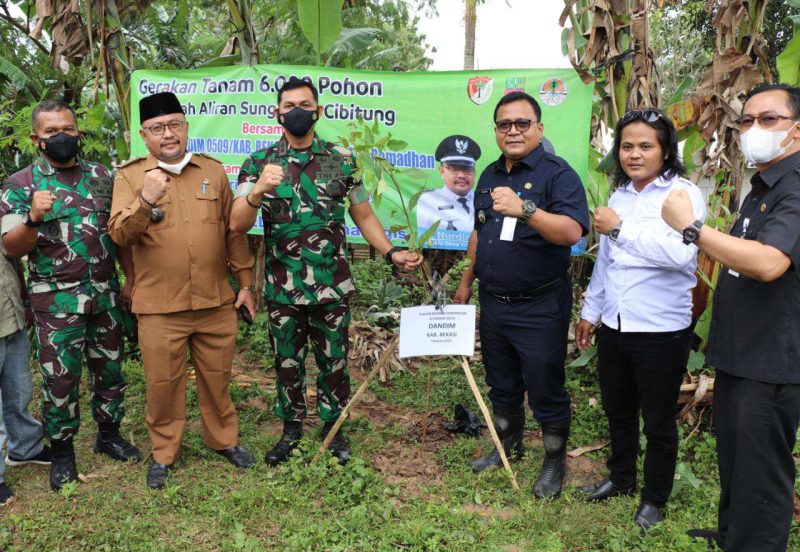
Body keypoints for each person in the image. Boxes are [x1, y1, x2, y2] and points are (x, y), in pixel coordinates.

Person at [231, 77, 422, 467]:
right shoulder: (259, 163)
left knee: (334, 362)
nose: (297, 111)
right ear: (277, 113)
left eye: (305, 104)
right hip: (283, 288)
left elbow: (363, 214)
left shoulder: (339, 160)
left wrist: (390, 252)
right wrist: (256, 192)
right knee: (287, 361)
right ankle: (291, 430)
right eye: (289, 105)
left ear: (318, 111)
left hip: (331, 286)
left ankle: (334, 431)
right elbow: (236, 223)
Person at [662, 83, 800, 552]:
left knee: (762, 471)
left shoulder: (796, 188)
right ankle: (733, 535)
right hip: (743, 353)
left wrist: (692, 227)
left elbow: (768, 262)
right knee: (738, 457)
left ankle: (754, 542)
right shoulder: (763, 186)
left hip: (771, 361)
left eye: (769, 120)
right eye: (747, 120)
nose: (753, 129)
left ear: (797, 130)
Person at [108, 92, 257, 489]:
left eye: (175, 124)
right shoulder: (130, 176)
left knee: (217, 376)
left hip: (213, 299)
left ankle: (224, 440)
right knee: (162, 384)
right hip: (159, 305)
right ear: (144, 135)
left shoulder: (212, 171)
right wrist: (145, 199)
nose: (168, 134)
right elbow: (119, 234)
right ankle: (164, 452)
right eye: (158, 128)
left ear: (186, 127)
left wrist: (245, 284)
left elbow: (233, 233)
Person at [575, 109, 705, 532]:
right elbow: (606, 265)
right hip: (615, 324)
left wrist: (619, 229)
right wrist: (590, 313)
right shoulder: (620, 196)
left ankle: (654, 499)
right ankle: (621, 478)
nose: (634, 154)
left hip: (661, 329)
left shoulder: (682, 195)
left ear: (666, 151)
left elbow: (681, 254)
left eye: (645, 146)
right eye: (627, 146)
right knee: (618, 410)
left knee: (659, 420)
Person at [0, 100, 141, 491]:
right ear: (36, 139)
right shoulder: (20, 184)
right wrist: (32, 218)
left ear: (78, 131)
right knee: (60, 380)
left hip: (105, 296)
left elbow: (117, 232)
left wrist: (130, 279)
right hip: (56, 303)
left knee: (110, 370)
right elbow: (12, 246)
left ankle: (108, 434)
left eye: (68, 128)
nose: (62, 137)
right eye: (51, 132)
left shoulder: (100, 175)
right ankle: (62, 451)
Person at [454, 91, 589, 498]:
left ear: (539, 128)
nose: (512, 131)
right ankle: (507, 446)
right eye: (504, 124)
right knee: (502, 383)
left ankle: (553, 462)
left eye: (522, 123)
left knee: (546, 387)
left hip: (540, 305)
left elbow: (572, 233)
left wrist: (525, 209)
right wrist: (466, 281)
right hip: (495, 302)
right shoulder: (489, 174)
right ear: (496, 130)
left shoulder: (558, 175)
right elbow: (480, 231)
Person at [0, 247, 52, 506]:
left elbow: (11, 258)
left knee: (18, 389)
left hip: (11, 317)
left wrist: (25, 299)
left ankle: (25, 448)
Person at [416, 135, 481, 232]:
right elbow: (425, 240)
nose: (461, 175)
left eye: (467, 169)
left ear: (474, 172)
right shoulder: (429, 200)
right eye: (454, 169)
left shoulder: (485, 200)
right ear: (442, 171)